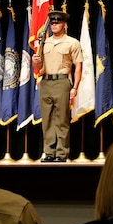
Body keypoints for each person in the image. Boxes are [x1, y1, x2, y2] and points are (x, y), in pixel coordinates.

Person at [32, 9, 83, 162]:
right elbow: (38, 68)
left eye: (57, 22)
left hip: (62, 82)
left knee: (61, 119)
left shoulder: (72, 42)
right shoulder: (44, 42)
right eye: (52, 23)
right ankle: (49, 152)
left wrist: (75, 88)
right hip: (46, 81)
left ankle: (61, 153)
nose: (54, 25)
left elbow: (78, 66)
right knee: (47, 120)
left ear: (64, 25)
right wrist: (36, 62)